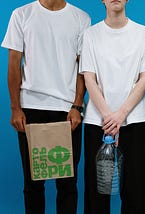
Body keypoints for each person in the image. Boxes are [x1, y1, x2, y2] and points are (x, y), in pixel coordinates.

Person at [1, 0, 90, 213]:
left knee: (68, 182)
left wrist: (77, 106)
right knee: (33, 182)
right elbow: (14, 62)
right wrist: (15, 108)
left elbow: (83, 65)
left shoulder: (81, 18)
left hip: (67, 109)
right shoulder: (21, 14)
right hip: (30, 107)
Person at [80, 0, 145, 213]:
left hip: (133, 120)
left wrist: (121, 115)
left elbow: (144, 78)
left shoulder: (143, 33)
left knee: (135, 189)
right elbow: (89, 79)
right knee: (97, 191)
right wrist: (108, 117)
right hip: (98, 122)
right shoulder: (90, 35)